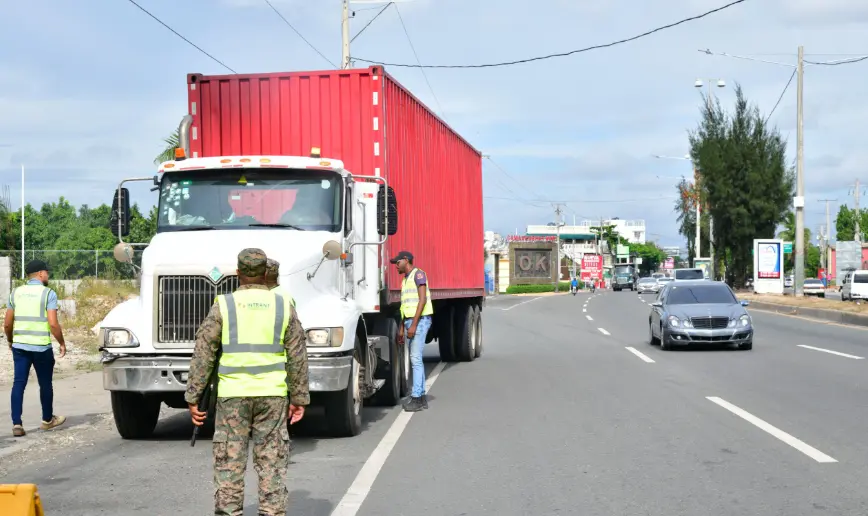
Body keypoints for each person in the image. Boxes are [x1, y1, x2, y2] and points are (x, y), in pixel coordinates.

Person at [185, 248, 309, 516]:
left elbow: (204, 350)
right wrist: (299, 398)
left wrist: (193, 396)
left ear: (238, 273)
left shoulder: (224, 305)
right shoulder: (282, 306)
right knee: (271, 463)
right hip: (273, 396)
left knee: (230, 463)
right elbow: (297, 355)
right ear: (265, 273)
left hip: (233, 395)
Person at [3, 260, 67, 437]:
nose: (48, 275)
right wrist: (61, 342)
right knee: (45, 384)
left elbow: (7, 323)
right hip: (41, 348)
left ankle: (17, 424)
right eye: (47, 272)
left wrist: (10, 340)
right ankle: (47, 420)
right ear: (40, 274)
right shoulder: (48, 294)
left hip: (20, 346)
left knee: (18, 383)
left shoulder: (15, 293)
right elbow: (53, 324)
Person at [390, 250, 432, 412]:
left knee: (415, 359)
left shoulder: (418, 275)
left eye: (397, 263)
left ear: (405, 260)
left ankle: (417, 398)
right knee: (416, 358)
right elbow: (404, 306)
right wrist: (402, 328)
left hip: (420, 321)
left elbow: (422, 300)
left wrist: (413, 325)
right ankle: (420, 397)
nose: (395, 266)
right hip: (410, 321)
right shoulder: (405, 280)